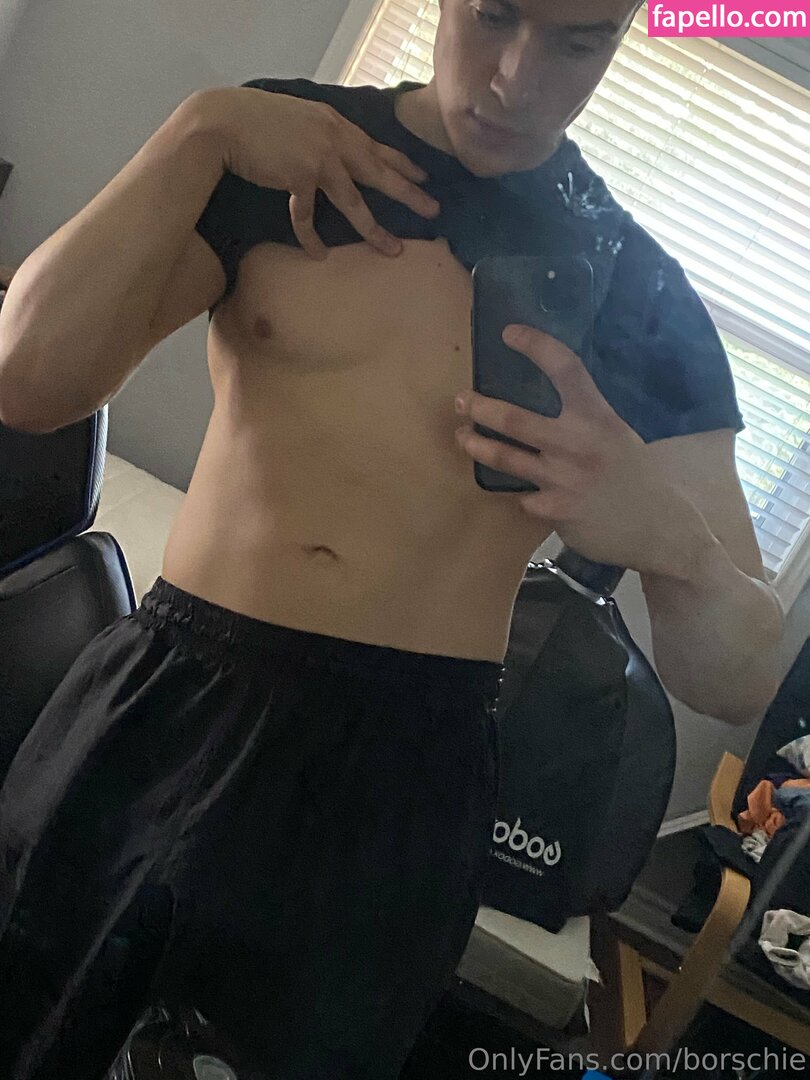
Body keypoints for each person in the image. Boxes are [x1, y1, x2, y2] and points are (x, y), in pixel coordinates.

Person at [0, 0, 785, 1077]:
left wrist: (672, 541)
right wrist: (196, 132)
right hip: (171, 688)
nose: (517, 80)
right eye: (495, 14)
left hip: (403, 769)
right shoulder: (276, 150)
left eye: (579, 40)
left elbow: (741, 677)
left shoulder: (637, 293)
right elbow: (29, 383)